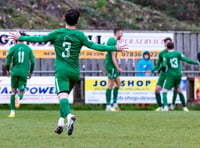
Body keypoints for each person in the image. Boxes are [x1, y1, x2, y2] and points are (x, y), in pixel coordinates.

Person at [9, 9, 127, 136]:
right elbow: (95, 46)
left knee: (62, 97)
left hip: (62, 71)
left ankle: (69, 116)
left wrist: (21, 37)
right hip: (75, 72)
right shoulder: (80, 36)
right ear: (77, 21)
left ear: (64, 20)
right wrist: (114, 47)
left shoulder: (58, 33)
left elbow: (40, 39)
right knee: (63, 97)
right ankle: (60, 122)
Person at [162, 42, 200, 111]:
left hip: (171, 75)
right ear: (174, 47)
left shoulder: (166, 55)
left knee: (164, 91)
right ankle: (184, 107)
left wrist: (163, 69)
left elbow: (164, 65)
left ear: (167, 48)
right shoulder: (178, 53)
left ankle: (165, 107)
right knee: (178, 90)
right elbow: (187, 60)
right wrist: (196, 62)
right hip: (178, 75)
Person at [6, 31, 35, 118]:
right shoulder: (28, 49)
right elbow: (33, 62)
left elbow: (7, 61)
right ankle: (19, 97)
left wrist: (7, 70)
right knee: (21, 91)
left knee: (13, 92)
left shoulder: (13, 48)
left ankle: (12, 112)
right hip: (23, 73)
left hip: (14, 72)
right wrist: (31, 72)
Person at [151, 37, 178, 111]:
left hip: (172, 74)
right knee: (157, 90)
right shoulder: (162, 53)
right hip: (163, 74)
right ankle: (160, 106)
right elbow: (157, 65)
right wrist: (152, 70)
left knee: (177, 89)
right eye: (166, 43)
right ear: (164, 44)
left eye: (169, 42)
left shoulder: (175, 53)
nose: (167, 44)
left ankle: (172, 104)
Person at [105, 28, 123, 111]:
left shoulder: (112, 41)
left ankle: (114, 103)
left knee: (118, 83)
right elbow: (112, 57)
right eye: (121, 33)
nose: (122, 35)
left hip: (112, 66)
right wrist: (118, 67)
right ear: (118, 33)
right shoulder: (112, 41)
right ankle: (108, 106)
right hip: (111, 66)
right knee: (110, 85)